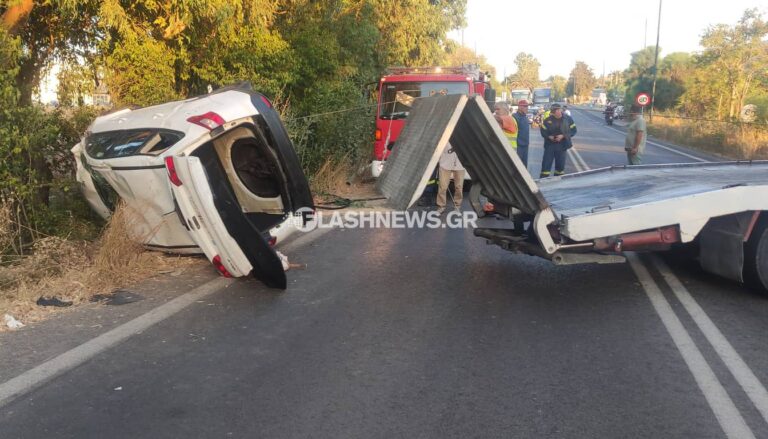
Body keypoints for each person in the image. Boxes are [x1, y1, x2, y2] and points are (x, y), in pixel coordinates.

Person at [539, 103, 577, 178]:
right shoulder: (548, 120)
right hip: (550, 146)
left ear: (559, 110)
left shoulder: (568, 119)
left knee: (560, 167)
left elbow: (573, 130)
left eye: (554, 111)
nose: (552, 113)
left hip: (562, 146)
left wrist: (563, 136)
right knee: (546, 166)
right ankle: (543, 182)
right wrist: (549, 136)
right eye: (552, 112)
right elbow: (543, 131)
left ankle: (558, 182)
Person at [436, 142, 465, 214]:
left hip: (460, 165)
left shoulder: (464, 137)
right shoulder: (445, 134)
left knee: (459, 186)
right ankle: (441, 206)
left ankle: (457, 205)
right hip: (445, 163)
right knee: (442, 186)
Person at [511, 99, 530, 167]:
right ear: (519, 107)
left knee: (524, 166)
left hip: (525, 145)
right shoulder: (515, 117)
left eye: (527, 106)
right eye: (525, 106)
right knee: (517, 166)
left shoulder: (525, 116)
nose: (527, 108)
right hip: (518, 146)